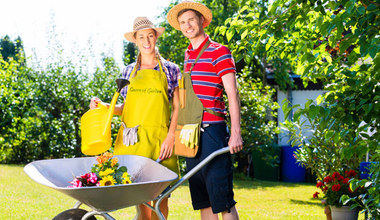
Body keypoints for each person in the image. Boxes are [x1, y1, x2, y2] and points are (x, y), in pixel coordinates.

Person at [89, 16, 180, 220]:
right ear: (135, 41)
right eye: (142, 37)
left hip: (160, 141)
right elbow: (125, 108)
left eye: (150, 36)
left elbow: (177, 107)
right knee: (140, 201)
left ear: (156, 37)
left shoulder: (171, 70)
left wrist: (171, 136)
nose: (146, 41)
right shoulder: (128, 71)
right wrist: (104, 106)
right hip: (134, 141)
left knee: (160, 198)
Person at [167, 1, 243, 220]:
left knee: (223, 201)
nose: (187, 25)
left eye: (191, 19)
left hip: (212, 131)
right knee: (204, 202)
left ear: (202, 20)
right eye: (183, 22)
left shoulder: (219, 51)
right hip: (189, 133)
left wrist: (236, 133)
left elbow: (233, 94)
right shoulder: (188, 55)